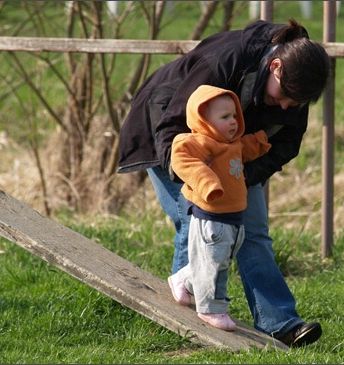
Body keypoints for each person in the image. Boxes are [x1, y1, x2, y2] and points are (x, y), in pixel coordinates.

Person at [118, 18, 331, 347]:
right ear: (275, 66)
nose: (288, 106)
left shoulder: (297, 84)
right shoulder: (225, 60)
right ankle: (186, 326)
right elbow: (172, 122)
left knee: (253, 230)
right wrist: (192, 179)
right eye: (286, 96)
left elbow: (286, 146)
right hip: (173, 134)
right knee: (197, 222)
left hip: (235, 152)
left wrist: (242, 176)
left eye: (297, 103)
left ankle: (281, 324)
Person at [168, 85, 271, 331]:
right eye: (225, 117)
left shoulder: (231, 144)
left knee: (219, 260)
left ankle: (184, 277)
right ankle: (211, 309)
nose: (233, 122)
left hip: (235, 217)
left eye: (234, 116)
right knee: (213, 265)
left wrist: (261, 141)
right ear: (204, 121)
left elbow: (245, 148)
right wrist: (208, 183)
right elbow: (183, 160)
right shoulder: (196, 142)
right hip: (211, 218)